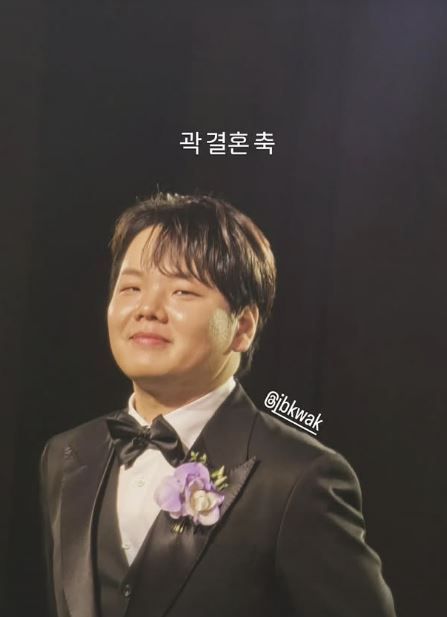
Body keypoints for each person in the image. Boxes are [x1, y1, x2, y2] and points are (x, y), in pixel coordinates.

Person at [39, 192, 396, 617]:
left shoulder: (298, 478)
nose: (147, 309)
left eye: (182, 292)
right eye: (131, 287)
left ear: (242, 327)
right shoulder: (67, 455)